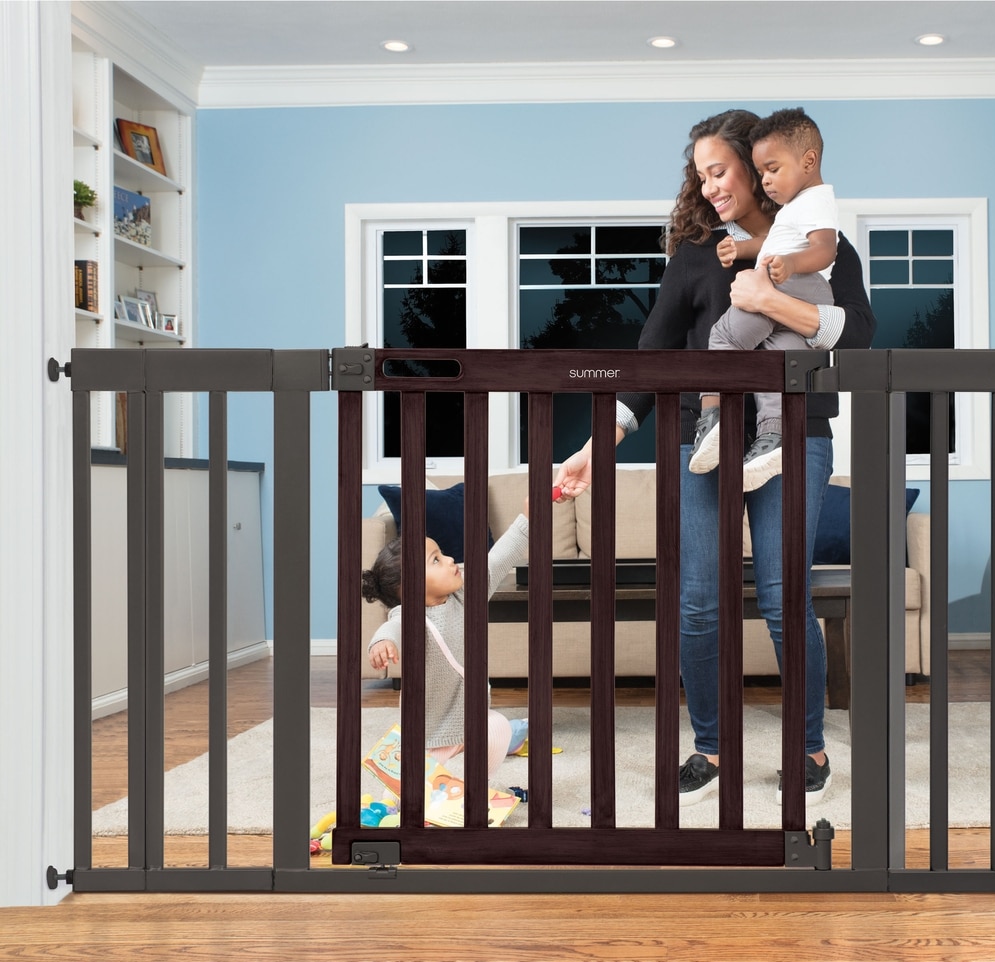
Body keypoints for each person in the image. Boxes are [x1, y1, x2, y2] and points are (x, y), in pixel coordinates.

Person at [553, 109, 876, 807]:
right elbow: (650, 361)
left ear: (757, 169)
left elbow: (858, 338)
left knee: (784, 600)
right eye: (701, 177)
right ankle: (710, 748)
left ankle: (808, 750)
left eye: (720, 171)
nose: (710, 188)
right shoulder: (698, 258)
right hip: (699, 443)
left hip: (796, 439)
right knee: (698, 603)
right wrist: (591, 450)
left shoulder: (821, 245)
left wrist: (768, 298)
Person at [691, 107, 838, 493]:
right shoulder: (798, 208)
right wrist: (741, 250)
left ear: (808, 161)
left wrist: (789, 266)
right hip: (801, 291)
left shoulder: (815, 201)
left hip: (797, 283)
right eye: (762, 173)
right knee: (778, 362)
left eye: (773, 169)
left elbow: (825, 249)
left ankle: (715, 417)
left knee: (725, 336)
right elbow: (775, 241)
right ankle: (774, 438)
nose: (767, 180)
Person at [362, 499, 531, 781]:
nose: (450, 559)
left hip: (469, 715)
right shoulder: (411, 615)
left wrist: (527, 518)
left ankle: (473, 786)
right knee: (411, 783)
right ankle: (404, 797)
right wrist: (382, 643)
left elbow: (497, 559)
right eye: (436, 560)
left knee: (498, 728)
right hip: (429, 728)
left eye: (441, 553)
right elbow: (393, 627)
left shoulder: (465, 594)